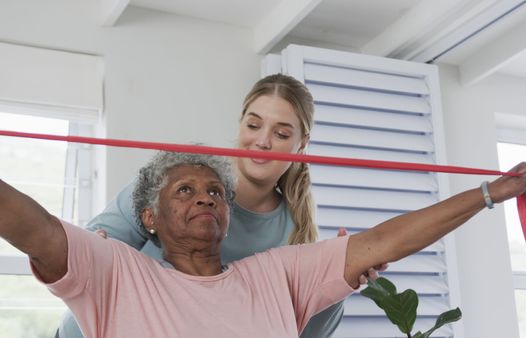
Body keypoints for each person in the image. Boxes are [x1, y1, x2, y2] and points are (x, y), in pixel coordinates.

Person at [0, 150, 526, 338]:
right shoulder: (114, 272)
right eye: (185, 191)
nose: (206, 198)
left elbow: (382, 241)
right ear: (149, 216)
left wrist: (490, 192)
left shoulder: (275, 274)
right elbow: (36, 227)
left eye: (215, 191)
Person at [56, 74, 374, 338]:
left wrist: (341, 277)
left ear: (301, 145)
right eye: (253, 125)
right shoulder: (174, 181)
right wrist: (94, 250)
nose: (262, 141)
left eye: (280, 133)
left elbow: (303, 330)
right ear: (240, 126)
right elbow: (87, 253)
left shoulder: (295, 232)